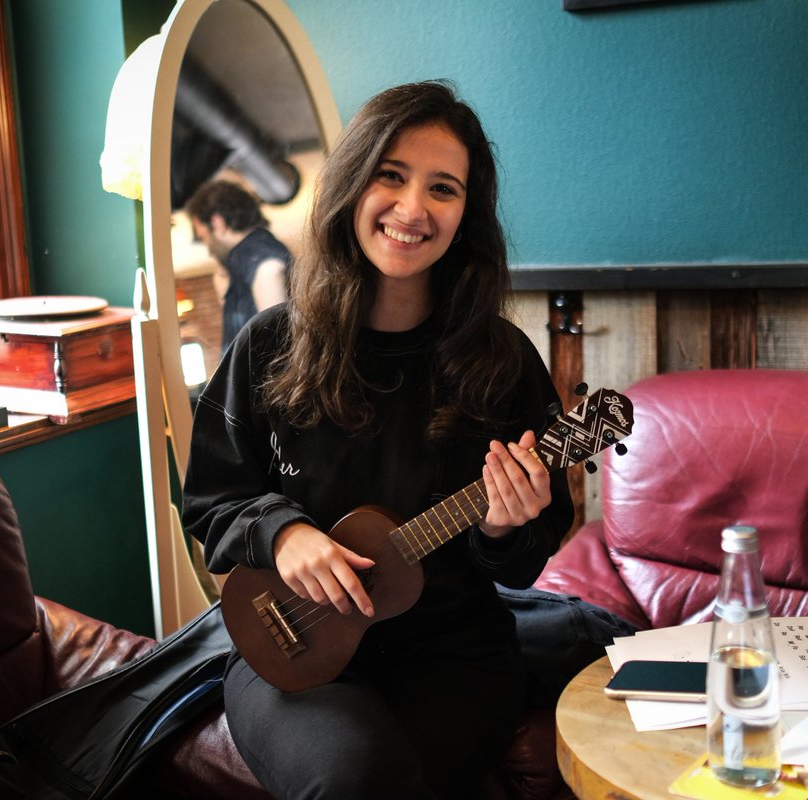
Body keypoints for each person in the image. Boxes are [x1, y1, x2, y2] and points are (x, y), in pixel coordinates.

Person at [180, 80, 574, 799]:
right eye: (391, 176)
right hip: (291, 647)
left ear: (467, 214)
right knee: (353, 775)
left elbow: (524, 565)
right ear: (351, 185)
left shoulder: (503, 362)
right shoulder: (269, 344)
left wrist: (503, 528)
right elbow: (210, 502)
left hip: (455, 657)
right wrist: (282, 534)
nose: (413, 208)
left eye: (443, 188)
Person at [185, 179, 292, 347]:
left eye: (204, 236)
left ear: (218, 223)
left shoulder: (265, 267)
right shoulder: (244, 265)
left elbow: (278, 348)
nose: (208, 248)